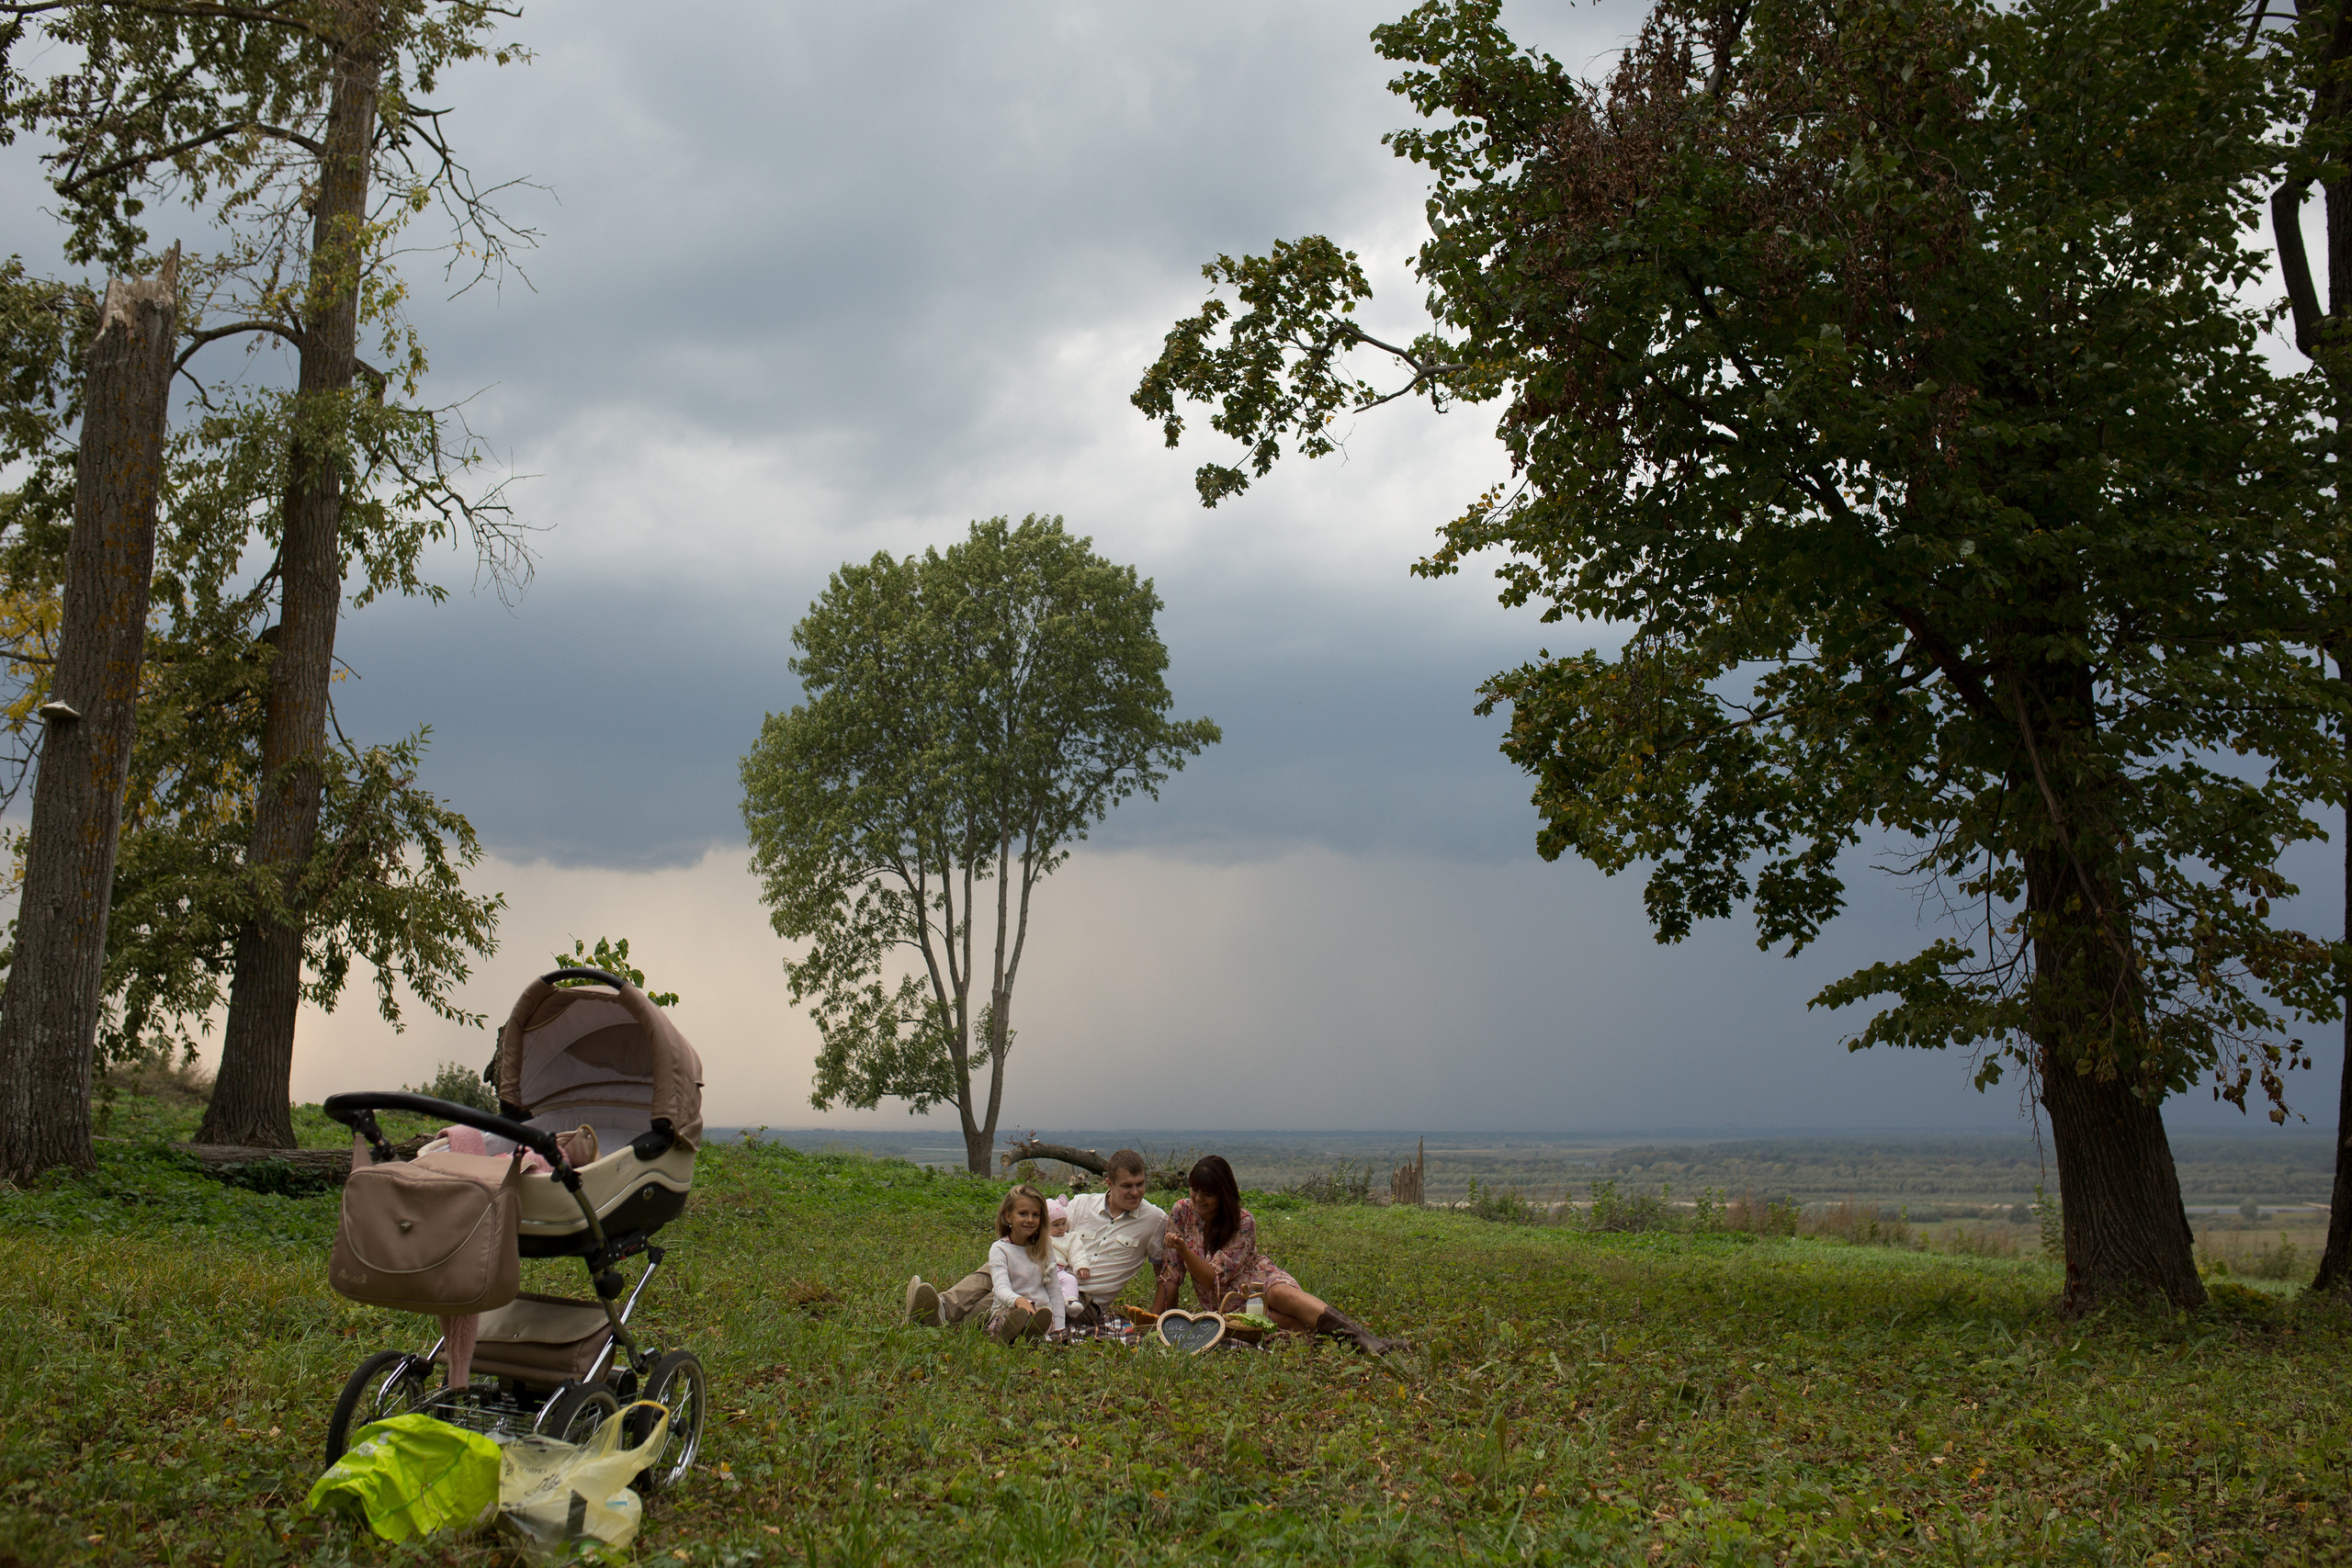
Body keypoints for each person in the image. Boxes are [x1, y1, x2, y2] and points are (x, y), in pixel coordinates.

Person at [1154, 1154, 1406, 1355]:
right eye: (1194, 1190)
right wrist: (1166, 1322)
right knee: (1280, 1320)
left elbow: (1212, 1277)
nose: (1198, 1198)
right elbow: (1173, 1277)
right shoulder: (1181, 1212)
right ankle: (1358, 1346)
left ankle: (1362, 1339)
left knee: (1283, 1293)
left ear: (1223, 1194)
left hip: (1258, 1279)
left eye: (1208, 1194)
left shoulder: (1243, 1222)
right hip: (1230, 1302)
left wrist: (1184, 1250)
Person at [903, 1148, 1167, 1328]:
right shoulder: (1082, 1205)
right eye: (1127, 1186)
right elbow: (1046, 1233)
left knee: (1000, 1296)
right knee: (999, 1266)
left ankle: (940, 1320)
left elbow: (1162, 1276)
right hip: (1047, 1269)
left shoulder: (1154, 1221)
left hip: (1083, 1301)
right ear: (1108, 1183)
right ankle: (941, 1306)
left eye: (1140, 1184)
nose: (1136, 1192)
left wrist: (1154, 1317)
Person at [984, 1183, 1059, 1342]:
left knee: (1042, 1318)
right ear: (1008, 1217)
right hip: (1010, 1309)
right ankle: (1012, 1335)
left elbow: (1054, 1291)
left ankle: (1032, 1335)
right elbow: (1001, 1287)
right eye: (1023, 1214)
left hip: (1040, 1312)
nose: (1030, 1220)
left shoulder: (1044, 1249)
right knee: (1013, 1317)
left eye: (1036, 1215)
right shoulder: (1000, 1249)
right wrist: (1019, 1301)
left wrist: (1060, 1328)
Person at [1046, 1197, 1083, 1320]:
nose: (1061, 1228)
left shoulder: (1069, 1238)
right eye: (1055, 1225)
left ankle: (1071, 1302)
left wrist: (1081, 1265)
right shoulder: (1041, 1237)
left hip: (1059, 1270)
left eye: (1063, 1224)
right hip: (1041, 1270)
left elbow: (1077, 1252)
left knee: (1070, 1280)